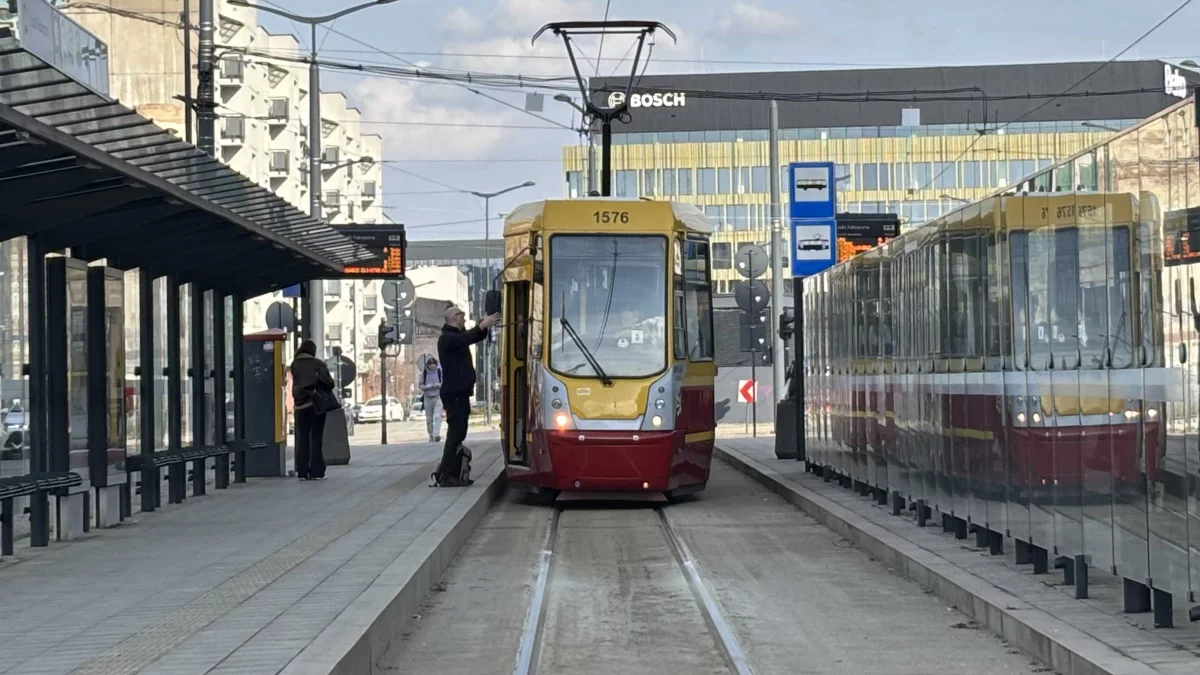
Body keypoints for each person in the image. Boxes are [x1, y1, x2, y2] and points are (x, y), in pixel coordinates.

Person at [434, 305, 500, 486]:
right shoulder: (447, 338)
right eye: (463, 317)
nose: (464, 320)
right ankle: (446, 474)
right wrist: (481, 325)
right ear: (455, 318)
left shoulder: (455, 337)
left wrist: (484, 325)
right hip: (454, 394)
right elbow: (465, 338)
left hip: (459, 393)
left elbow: (474, 336)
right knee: (455, 434)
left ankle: (449, 472)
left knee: (458, 433)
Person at [290, 339, 335, 480]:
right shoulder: (318, 364)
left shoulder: (294, 364)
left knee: (302, 438)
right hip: (316, 404)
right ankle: (317, 471)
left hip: (300, 405)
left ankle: (302, 471)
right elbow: (329, 383)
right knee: (316, 438)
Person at [419, 357, 444, 443]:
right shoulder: (425, 372)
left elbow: (444, 382)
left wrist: (439, 385)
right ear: (427, 366)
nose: (432, 368)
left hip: (438, 397)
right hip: (427, 397)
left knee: (437, 416)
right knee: (429, 418)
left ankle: (436, 435)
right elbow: (421, 385)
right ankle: (431, 435)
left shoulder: (439, 371)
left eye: (434, 366)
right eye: (430, 366)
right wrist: (429, 386)